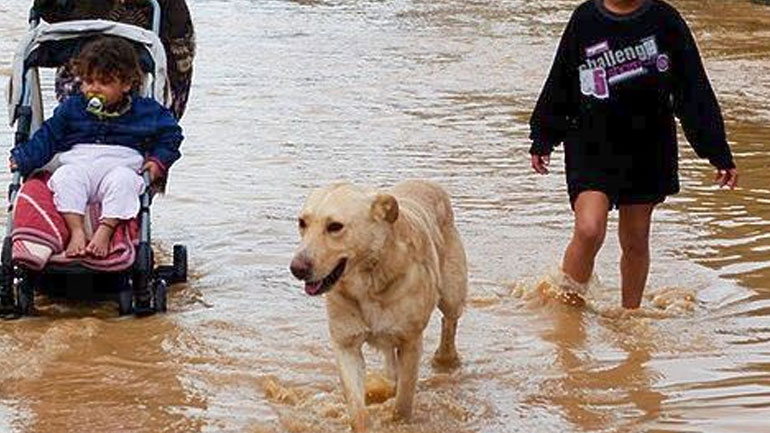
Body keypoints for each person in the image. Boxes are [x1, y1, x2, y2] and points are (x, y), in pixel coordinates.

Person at [528, 0, 738, 309]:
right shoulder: (585, 18)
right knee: (588, 229)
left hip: (648, 145)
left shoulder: (665, 20)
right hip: (591, 143)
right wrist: (544, 136)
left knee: (636, 237)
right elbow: (561, 81)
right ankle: (568, 315)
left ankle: (630, 316)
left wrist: (716, 150)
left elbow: (692, 90)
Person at [9, 36, 183, 258]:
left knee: (125, 182)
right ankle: (77, 230)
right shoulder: (72, 109)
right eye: (89, 82)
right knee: (65, 177)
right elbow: (48, 136)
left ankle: (105, 230)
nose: (94, 89)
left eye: (105, 83)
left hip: (120, 166)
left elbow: (171, 135)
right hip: (80, 164)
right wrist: (24, 158)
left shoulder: (146, 111)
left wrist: (158, 161)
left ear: (127, 85)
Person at [33, 0, 195, 119]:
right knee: (78, 114)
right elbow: (47, 9)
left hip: (158, 37)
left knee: (159, 116)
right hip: (84, 37)